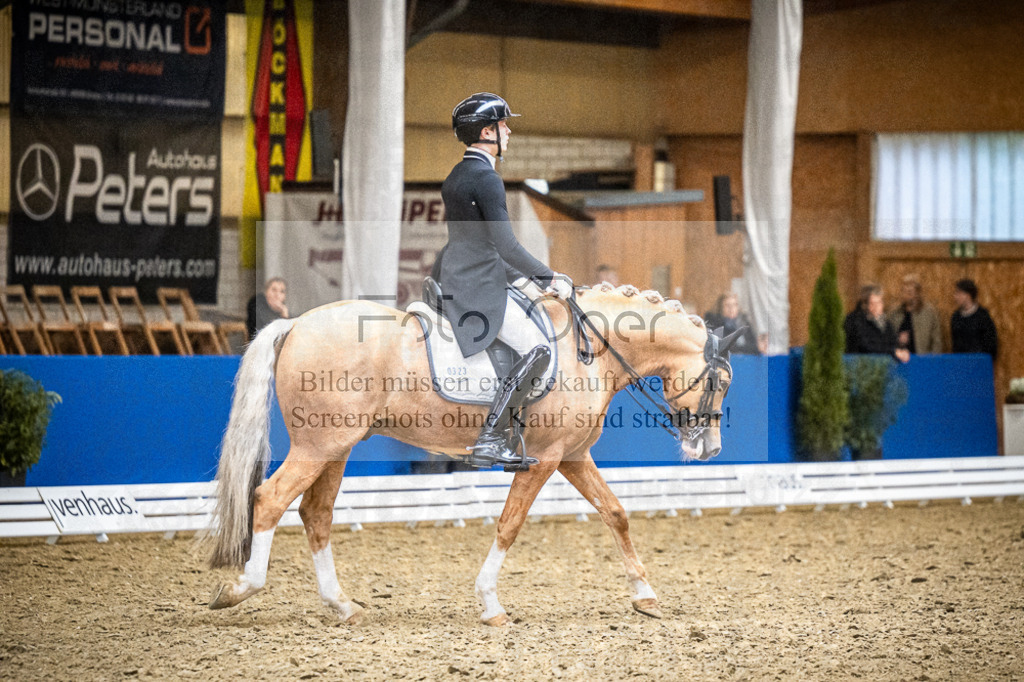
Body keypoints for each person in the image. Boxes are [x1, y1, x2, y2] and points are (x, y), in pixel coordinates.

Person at [437, 93, 573, 470]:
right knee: (540, 349)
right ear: (487, 132)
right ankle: (491, 439)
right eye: (503, 125)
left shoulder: (458, 174)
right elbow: (506, 244)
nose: (508, 131)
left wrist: (527, 281)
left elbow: (479, 243)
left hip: (462, 272)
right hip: (477, 284)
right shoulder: (487, 179)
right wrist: (550, 277)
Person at [844, 284, 910, 363]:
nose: (876, 307)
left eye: (879, 303)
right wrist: (893, 352)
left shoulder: (885, 322)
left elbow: (893, 341)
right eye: (872, 303)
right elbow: (866, 346)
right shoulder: (855, 321)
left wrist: (901, 350)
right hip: (859, 366)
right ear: (865, 304)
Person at [886, 273, 943, 354]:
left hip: (922, 359)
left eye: (910, 292)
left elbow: (937, 341)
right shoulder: (894, 313)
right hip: (898, 358)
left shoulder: (929, 313)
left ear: (917, 293)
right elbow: (887, 338)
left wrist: (933, 360)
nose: (907, 295)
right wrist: (897, 339)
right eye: (904, 291)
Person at [951, 278, 998, 360]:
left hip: (979, 363)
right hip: (961, 364)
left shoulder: (982, 316)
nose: (955, 297)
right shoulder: (956, 317)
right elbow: (955, 344)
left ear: (967, 295)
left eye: (958, 293)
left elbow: (991, 344)